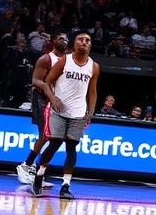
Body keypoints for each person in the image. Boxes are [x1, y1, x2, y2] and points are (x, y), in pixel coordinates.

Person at [31, 32, 100, 199]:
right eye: (80, 39)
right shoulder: (65, 60)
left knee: (71, 147)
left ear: (90, 45)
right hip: (59, 111)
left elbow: (92, 92)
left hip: (78, 112)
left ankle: (66, 185)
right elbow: (47, 81)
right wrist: (53, 99)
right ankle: (40, 173)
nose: (84, 42)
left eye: (87, 40)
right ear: (74, 43)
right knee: (54, 143)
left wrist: (90, 113)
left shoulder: (94, 66)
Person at [18, 32, 67, 185]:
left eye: (66, 39)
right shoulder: (46, 58)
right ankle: (26, 165)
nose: (64, 41)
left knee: (54, 138)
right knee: (45, 135)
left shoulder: (67, 61)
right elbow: (35, 81)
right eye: (61, 38)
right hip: (42, 99)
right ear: (53, 41)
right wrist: (47, 89)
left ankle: (38, 172)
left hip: (57, 100)